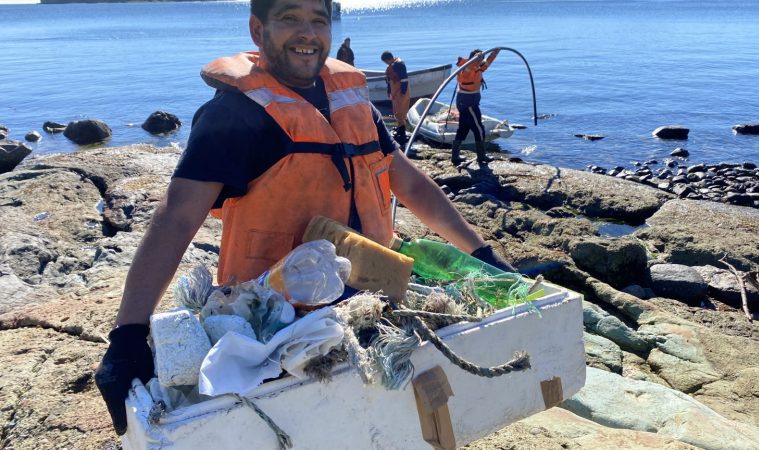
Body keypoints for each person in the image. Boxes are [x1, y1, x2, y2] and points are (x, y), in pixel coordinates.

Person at [94, 0, 514, 437]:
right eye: (289, 18)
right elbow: (177, 217)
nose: (307, 32)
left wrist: (481, 254)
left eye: (318, 19)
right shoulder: (234, 115)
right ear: (258, 30)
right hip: (275, 331)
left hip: (374, 308)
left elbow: (410, 185)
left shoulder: (354, 102)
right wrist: (128, 334)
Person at [451, 48, 500, 165]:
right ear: (473, 59)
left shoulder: (477, 68)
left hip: (467, 102)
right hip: (468, 103)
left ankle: (455, 156)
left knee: (464, 127)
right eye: (479, 59)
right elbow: (470, 67)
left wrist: (495, 53)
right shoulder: (466, 69)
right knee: (479, 129)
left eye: (481, 59)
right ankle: (481, 156)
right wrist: (476, 59)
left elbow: (487, 63)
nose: (480, 61)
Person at [380, 50, 410, 147]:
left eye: (386, 62)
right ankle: (400, 130)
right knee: (396, 112)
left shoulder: (399, 65)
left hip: (400, 92)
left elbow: (404, 79)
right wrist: (389, 92)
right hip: (394, 92)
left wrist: (403, 92)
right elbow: (389, 81)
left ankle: (402, 134)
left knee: (401, 112)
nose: (386, 64)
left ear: (389, 59)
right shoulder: (391, 67)